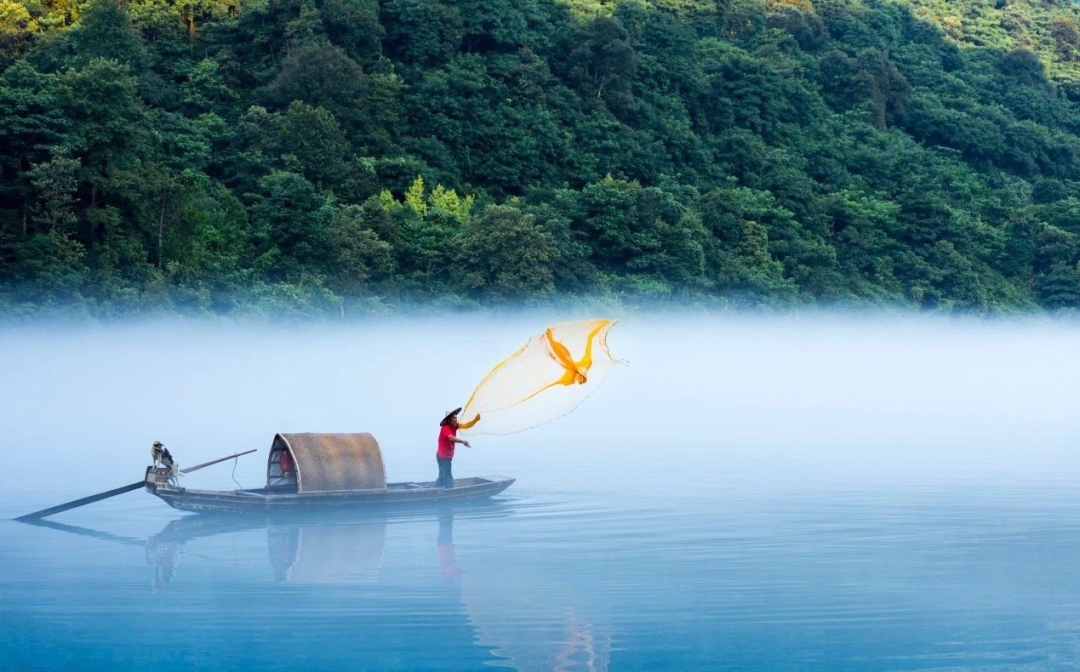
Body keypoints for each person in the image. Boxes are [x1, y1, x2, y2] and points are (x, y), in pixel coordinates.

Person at [435, 408, 479, 489]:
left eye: (456, 418)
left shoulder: (455, 426)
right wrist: (462, 441)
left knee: (442, 476)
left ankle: (435, 490)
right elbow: (451, 438)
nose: (455, 420)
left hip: (444, 456)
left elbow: (466, 425)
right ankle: (449, 493)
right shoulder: (445, 428)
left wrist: (475, 420)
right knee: (448, 477)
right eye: (453, 418)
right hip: (443, 457)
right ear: (448, 420)